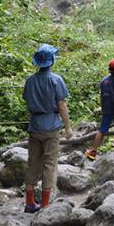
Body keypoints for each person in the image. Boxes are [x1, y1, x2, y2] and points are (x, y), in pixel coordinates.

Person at [22, 44, 72, 213]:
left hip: (34, 126)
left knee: (32, 163)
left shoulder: (30, 80)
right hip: (51, 126)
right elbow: (62, 106)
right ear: (51, 61)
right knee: (50, 163)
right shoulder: (56, 80)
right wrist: (68, 128)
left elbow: (27, 101)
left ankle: (29, 202)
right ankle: (44, 205)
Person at [84, 59, 114, 160]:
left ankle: (93, 151)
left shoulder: (104, 81)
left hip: (107, 108)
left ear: (109, 69)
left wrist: (103, 107)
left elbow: (102, 96)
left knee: (102, 130)